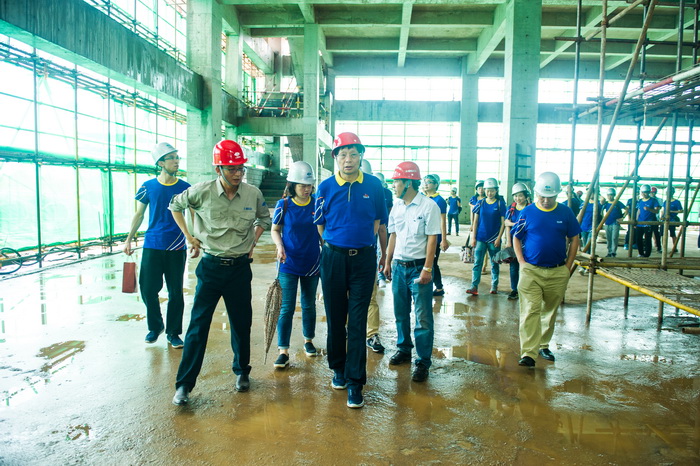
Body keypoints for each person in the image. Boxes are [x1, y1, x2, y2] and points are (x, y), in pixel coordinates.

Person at [170, 140, 271, 406]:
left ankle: (242, 371)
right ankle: (184, 385)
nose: (238, 174)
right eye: (231, 169)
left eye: (241, 168)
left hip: (239, 269)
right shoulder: (201, 191)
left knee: (241, 323)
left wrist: (252, 242)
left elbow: (264, 218)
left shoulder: (252, 193)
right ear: (219, 169)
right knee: (198, 326)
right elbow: (175, 206)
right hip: (211, 268)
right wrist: (189, 237)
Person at [314, 131, 388, 409]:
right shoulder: (325, 187)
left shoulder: (374, 185)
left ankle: (356, 382)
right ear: (335, 157)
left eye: (354, 154)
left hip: (363, 260)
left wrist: (373, 249)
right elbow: (320, 224)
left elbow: (378, 221)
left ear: (361, 156)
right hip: (333, 258)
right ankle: (338, 369)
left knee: (357, 322)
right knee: (335, 318)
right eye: (343, 154)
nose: (348, 159)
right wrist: (335, 245)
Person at [123, 142, 190, 347]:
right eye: (172, 158)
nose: (176, 161)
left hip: (176, 245)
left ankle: (173, 333)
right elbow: (139, 214)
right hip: (152, 244)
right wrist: (128, 239)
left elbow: (195, 215)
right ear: (160, 163)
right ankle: (155, 326)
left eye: (177, 157)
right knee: (147, 289)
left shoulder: (185, 188)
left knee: (175, 292)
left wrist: (194, 238)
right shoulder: (148, 186)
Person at [512, 172, 581, 367]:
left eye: (550, 197)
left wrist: (568, 266)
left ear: (557, 194)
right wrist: (522, 262)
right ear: (536, 193)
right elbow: (516, 236)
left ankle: (543, 345)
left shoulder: (565, 213)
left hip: (557, 271)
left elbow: (574, 238)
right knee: (530, 310)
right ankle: (528, 353)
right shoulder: (528, 212)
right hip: (531, 270)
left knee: (549, 311)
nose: (545, 200)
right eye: (542, 196)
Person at [384, 162, 441, 382]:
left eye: (396, 181)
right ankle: (404, 349)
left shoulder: (429, 206)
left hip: (419, 269)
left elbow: (432, 239)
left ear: (408, 182)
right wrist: (388, 261)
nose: (394, 185)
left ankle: (423, 361)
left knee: (423, 318)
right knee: (400, 313)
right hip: (399, 268)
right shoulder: (396, 206)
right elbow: (393, 235)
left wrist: (427, 268)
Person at [270, 161, 322, 369]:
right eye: (302, 185)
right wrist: (279, 246)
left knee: (309, 304)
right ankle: (283, 351)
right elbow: (275, 229)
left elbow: (322, 233)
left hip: (312, 263)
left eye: (309, 185)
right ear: (293, 185)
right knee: (286, 308)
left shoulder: (317, 204)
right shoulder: (283, 205)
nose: (306, 189)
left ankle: (308, 341)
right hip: (288, 263)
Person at [361, 160, 388, 354]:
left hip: (368, 254)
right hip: (344, 255)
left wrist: (384, 254)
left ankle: (371, 334)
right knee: (347, 296)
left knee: (370, 297)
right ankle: (350, 329)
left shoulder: (375, 195)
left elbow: (382, 228)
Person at [467, 178, 506, 296]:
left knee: (494, 263)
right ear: (484, 190)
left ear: (496, 191)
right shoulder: (480, 203)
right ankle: (474, 286)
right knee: (477, 263)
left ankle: (494, 285)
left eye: (492, 190)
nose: (489, 193)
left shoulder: (500, 203)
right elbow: (475, 221)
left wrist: (499, 238)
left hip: (494, 239)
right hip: (480, 238)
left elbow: (503, 223)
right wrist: (473, 237)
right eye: (487, 190)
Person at [422, 174, 449, 297]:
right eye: (424, 182)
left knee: (432, 262)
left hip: (434, 237)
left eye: (429, 182)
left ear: (436, 185)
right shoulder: (422, 198)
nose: (426, 184)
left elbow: (443, 221)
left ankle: (438, 287)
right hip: (423, 236)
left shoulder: (440, 200)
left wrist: (443, 239)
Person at [504, 182, 530, 300]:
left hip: (528, 243)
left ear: (526, 196)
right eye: (515, 196)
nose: (518, 198)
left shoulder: (530, 208)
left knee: (526, 267)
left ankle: (525, 289)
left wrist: (513, 224)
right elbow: (506, 224)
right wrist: (508, 242)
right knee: (514, 267)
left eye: (520, 195)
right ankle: (515, 289)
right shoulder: (511, 208)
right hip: (514, 243)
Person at [636, 184, 661, 258]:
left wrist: (649, 209)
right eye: (643, 192)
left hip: (649, 223)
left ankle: (647, 254)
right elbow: (638, 211)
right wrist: (636, 220)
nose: (644, 194)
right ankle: (640, 253)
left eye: (646, 192)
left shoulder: (653, 200)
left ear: (649, 192)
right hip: (640, 223)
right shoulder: (640, 201)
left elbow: (657, 211)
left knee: (647, 239)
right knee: (638, 238)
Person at [602, 187, 624, 257]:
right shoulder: (606, 204)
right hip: (607, 222)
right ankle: (609, 251)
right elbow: (601, 210)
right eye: (608, 195)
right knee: (608, 238)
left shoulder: (617, 203)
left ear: (614, 195)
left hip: (615, 222)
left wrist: (622, 217)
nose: (610, 196)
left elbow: (626, 209)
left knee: (614, 237)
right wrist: (603, 219)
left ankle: (613, 252)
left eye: (611, 195)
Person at [662, 187, 683, 252]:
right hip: (664, 220)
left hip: (672, 220)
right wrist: (661, 216)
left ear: (673, 193)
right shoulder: (665, 201)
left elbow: (681, 210)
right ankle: (664, 247)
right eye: (667, 192)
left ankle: (674, 247)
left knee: (673, 234)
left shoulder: (676, 202)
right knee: (663, 234)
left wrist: (672, 212)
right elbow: (663, 210)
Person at [650, 187, 662, 253]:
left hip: (655, 218)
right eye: (652, 192)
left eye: (654, 192)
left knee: (656, 233)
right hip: (647, 218)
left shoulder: (659, 200)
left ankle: (658, 247)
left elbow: (659, 209)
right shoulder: (646, 200)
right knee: (647, 233)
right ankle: (648, 247)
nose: (653, 194)